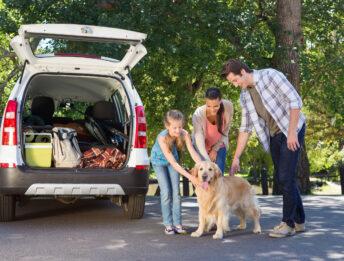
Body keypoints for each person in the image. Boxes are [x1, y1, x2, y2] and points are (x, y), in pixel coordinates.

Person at [221, 59, 306, 238]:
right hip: (274, 134)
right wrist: (236, 157)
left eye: (235, 81)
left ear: (243, 72)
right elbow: (245, 128)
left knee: (285, 176)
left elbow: (295, 101)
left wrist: (291, 133)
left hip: (291, 128)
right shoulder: (245, 95)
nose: (236, 85)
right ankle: (299, 221)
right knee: (284, 176)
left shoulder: (271, 76)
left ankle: (288, 224)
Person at [151, 110, 202, 235]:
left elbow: (192, 152)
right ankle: (168, 225)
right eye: (174, 128)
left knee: (176, 192)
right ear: (167, 126)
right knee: (166, 192)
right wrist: (191, 178)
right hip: (159, 162)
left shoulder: (184, 134)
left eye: (180, 127)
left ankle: (178, 224)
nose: (178, 130)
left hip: (173, 161)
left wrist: (202, 165)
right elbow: (173, 163)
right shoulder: (162, 137)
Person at [192, 87, 233, 174]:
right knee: (204, 175)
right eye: (209, 106)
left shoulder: (228, 106)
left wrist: (215, 149)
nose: (212, 109)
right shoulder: (198, 114)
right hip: (202, 147)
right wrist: (207, 160)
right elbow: (199, 138)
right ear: (205, 102)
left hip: (219, 144)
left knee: (218, 175)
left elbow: (226, 130)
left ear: (220, 101)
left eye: (216, 106)